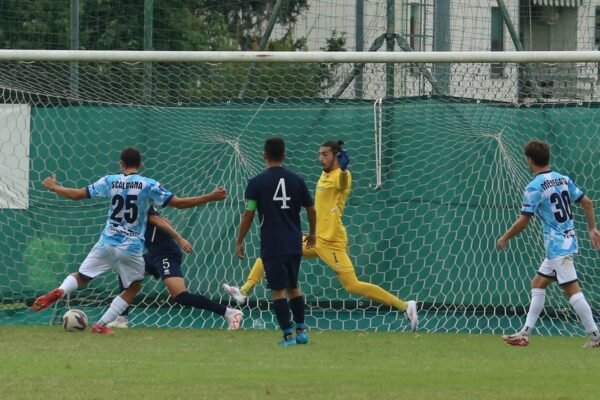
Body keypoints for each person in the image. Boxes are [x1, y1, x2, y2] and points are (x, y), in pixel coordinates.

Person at [224, 140, 418, 332]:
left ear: (337, 156)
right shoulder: (324, 175)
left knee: (352, 285)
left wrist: (342, 170)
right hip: (314, 238)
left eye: (325, 154)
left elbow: (342, 184)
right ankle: (244, 291)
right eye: (320, 154)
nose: (321, 158)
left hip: (332, 241)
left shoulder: (342, 175)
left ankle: (404, 306)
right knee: (271, 254)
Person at [32, 147, 227, 334]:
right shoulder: (148, 184)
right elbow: (179, 203)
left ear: (121, 163)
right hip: (131, 246)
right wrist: (210, 196)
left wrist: (55, 187)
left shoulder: (110, 181)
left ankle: (60, 290)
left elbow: (77, 195)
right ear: (140, 165)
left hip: (107, 242)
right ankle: (100, 324)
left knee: (82, 276)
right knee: (133, 287)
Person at [497, 140, 600, 347]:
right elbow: (587, 202)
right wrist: (591, 228)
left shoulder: (534, 186)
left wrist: (505, 236)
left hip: (557, 247)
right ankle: (525, 334)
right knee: (537, 284)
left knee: (573, 291)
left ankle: (596, 336)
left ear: (529, 160)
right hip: (567, 242)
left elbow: (524, 220)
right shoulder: (563, 179)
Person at [235, 138, 316, 346]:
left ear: (264, 156)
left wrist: (239, 240)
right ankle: (302, 331)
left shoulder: (256, 183)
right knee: (293, 287)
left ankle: (288, 336)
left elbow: (249, 213)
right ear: (284, 156)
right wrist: (313, 233)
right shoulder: (297, 180)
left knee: (278, 291)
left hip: (272, 245)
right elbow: (311, 209)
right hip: (293, 243)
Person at [107, 207, 243, 330]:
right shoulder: (140, 206)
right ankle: (121, 319)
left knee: (181, 296)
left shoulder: (143, 206)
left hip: (165, 254)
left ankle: (230, 313)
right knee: (124, 270)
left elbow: (161, 222)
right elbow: (166, 222)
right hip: (154, 253)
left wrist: (179, 239)